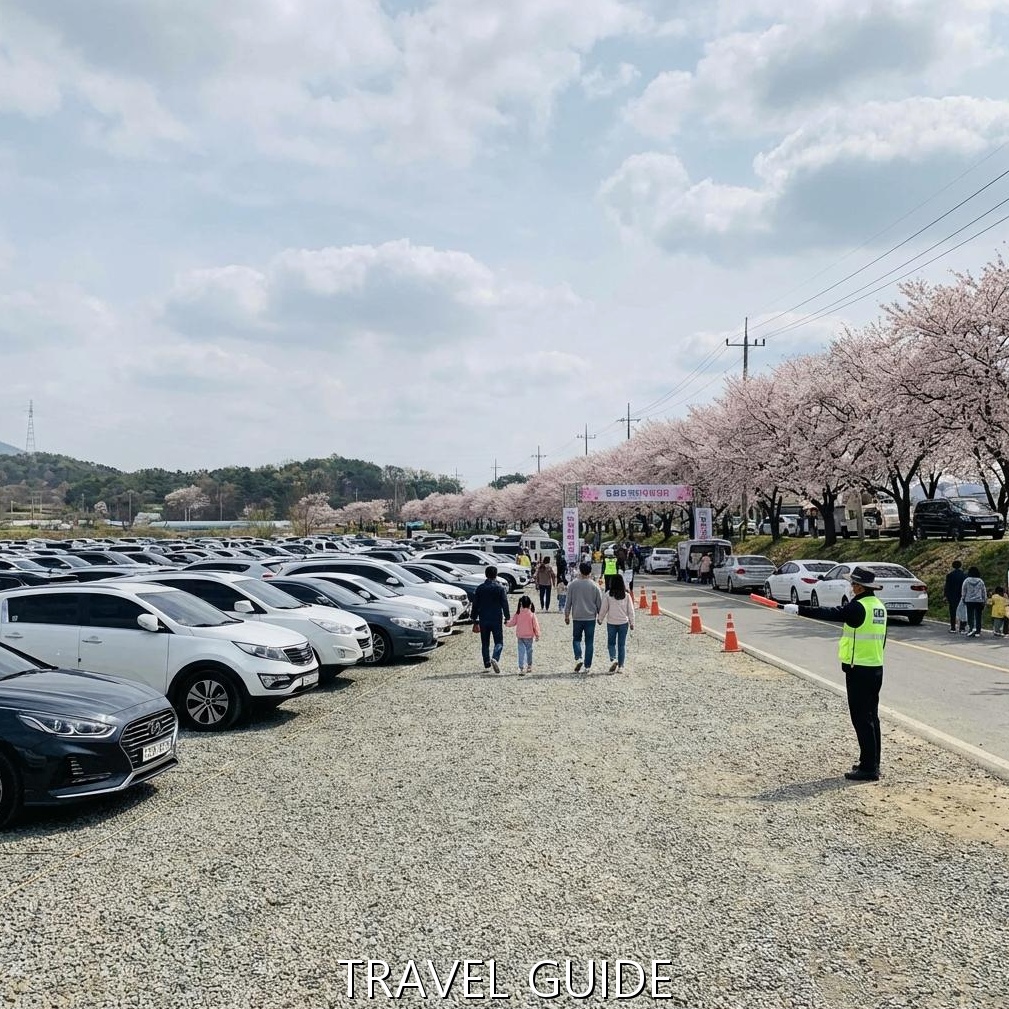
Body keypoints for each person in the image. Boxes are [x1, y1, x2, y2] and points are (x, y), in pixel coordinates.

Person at [780, 567, 886, 781]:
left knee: (861, 719)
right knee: (871, 717)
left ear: (860, 587)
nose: (851, 587)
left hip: (859, 668)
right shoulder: (878, 606)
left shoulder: (858, 606)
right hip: (875, 667)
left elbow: (830, 613)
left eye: (853, 583)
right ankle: (872, 761)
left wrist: (798, 609)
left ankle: (869, 769)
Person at [564, 561, 603, 673]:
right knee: (589, 642)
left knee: (576, 639)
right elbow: (599, 603)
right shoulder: (595, 586)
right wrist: (600, 617)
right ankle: (587, 666)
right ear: (590, 571)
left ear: (580, 571)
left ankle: (578, 657)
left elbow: (568, 602)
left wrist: (567, 615)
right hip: (590, 618)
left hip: (577, 617)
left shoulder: (573, 585)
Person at [472, 565, 511, 674]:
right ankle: (495, 657)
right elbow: (504, 603)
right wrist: (507, 617)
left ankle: (487, 662)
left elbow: (475, 605)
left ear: (486, 575)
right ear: (496, 575)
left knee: (485, 642)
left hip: (483, 618)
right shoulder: (500, 588)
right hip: (496, 618)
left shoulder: (480, 588)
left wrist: (474, 619)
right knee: (499, 641)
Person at [598, 573, 635, 673]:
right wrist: (632, 622)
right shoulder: (626, 595)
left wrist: (600, 619)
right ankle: (621, 666)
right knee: (621, 645)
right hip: (623, 623)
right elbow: (631, 610)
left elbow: (604, 609)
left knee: (611, 643)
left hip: (611, 623)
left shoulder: (608, 595)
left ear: (612, 583)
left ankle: (613, 658)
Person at [506, 595, 541, 676]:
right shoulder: (532, 614)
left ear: (521, 603)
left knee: (521, 652)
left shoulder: (518, 613)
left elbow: (512, 622)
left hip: (520, 636)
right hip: (529, 636)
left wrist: (506, 623)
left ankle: (521, 668)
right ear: (530, 604)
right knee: (529, 651)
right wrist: (537, 635)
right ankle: (529, 666)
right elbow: (536, 626)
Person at [961, 566, 988, 638]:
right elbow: (983, 591)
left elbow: (964, 590)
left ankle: (971, 629)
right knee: (978, 616)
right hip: (979, 600)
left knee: (970, 615)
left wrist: (963, 598)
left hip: (969, 600)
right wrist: (985, 599)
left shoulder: (966, 580)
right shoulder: (980, 581)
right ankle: (978, 631)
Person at [943, 560, 967, 633]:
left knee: (953, 612)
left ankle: (953, 627)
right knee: (962, 612)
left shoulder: (950, 575)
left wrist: (945, 595)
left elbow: (947, 586)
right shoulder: (964, 575)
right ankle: (962, 628)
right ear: (960, 566)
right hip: (961, 595)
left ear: (953, 566)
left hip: (952, 596)